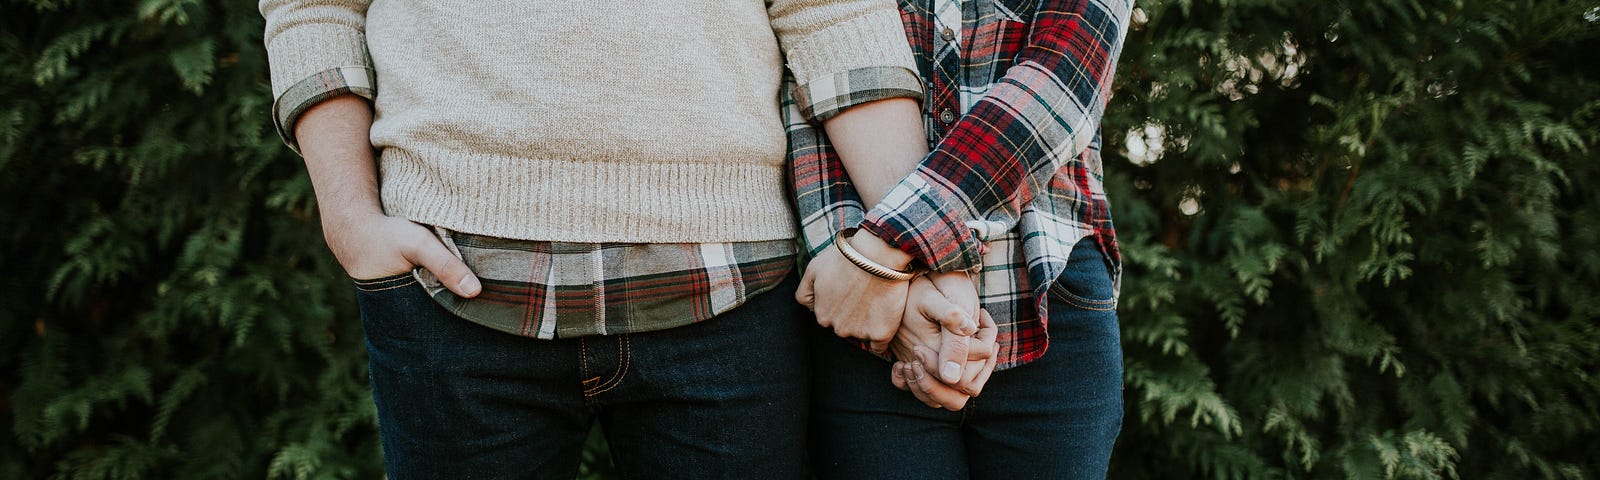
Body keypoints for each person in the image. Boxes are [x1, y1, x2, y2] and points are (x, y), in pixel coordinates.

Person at [258, 0, 940, 477]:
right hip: (451, 288)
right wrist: (351, 220)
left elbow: (833, 12)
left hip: (730, 290)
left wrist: (914, 244)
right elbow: (315, 5)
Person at [789, 0, 1136, 477]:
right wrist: (859, 265)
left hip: (1047, 296)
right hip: (868, 318)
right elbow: (814, 58)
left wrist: (884, 247)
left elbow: (1065, 77)